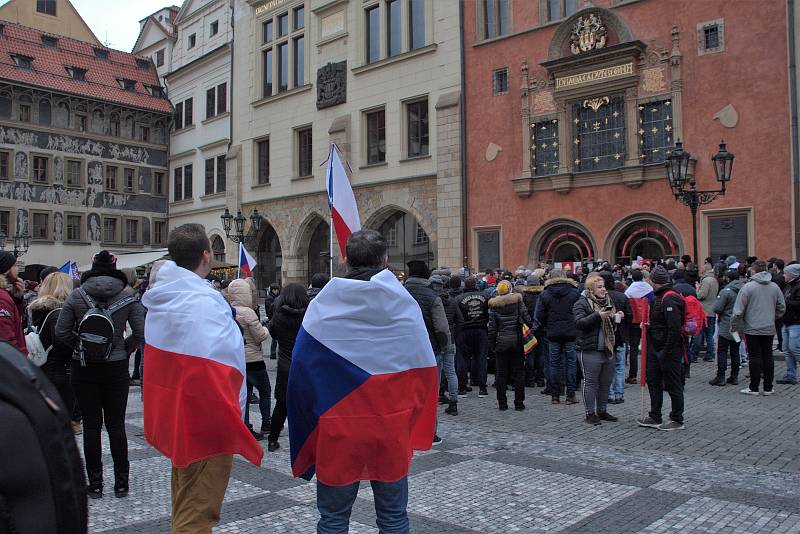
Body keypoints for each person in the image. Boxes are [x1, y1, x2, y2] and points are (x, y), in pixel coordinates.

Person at [286, 230, 437, 534]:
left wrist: (307, 425)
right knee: (393, 518)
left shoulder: (322, 308)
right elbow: (424, 370)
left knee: (333, 521)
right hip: (389, 427)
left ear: (345, 260)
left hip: (338, 428)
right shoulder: (403, 307)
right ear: (384, 260)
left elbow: (300, 376)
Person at [141, 225, 262, 533]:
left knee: (185, 501)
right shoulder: (204, 303)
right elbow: (222, 368)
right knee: (198, 514)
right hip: (205, 423)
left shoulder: (163, 298)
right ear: (206, 255)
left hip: (176, 415)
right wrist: (233, 418)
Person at [55, 251, 145, 499]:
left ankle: (95, 484)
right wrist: (123, 349)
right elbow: (141, 332)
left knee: (92, 426)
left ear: (93, 267)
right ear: (115, 267)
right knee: (116, 426)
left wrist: (80, 346)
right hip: (115, 368)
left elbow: (61, 330)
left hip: (83, 367)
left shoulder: (77, 294)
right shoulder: (128, 296)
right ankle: (121, 483)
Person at [28, 272, 81, 433]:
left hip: (42, 367)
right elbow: (61, 344)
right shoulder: (59, 314)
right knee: (61, 422)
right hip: (60, 369)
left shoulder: (37, 310)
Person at [404, 260, 449, 444]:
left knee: (406, 393)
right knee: (430, 394)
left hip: (404, 351)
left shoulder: (399, 293)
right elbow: (441, 328)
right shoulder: (432, 296)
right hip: (430, 351)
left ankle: (406, 428)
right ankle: (430, 432)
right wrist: (445, 347)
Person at [638, 265, 685, 431]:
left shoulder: (669, 298)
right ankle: (655, 415)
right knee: (653, 381)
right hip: (656, 346)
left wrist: (666, 350)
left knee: (673, 384)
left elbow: (674, 328)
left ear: (654, 281)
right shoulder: (659, 297)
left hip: (667, 348)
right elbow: (663, 324)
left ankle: (677, 418)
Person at [732, 260, 786, 395]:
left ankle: (754, 387)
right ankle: (768, 387)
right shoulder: (774, 287)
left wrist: (735, 327)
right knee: (768, 356)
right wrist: (772, 317)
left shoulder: (748, 287)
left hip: (752, 327)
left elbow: (738, 311)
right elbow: (782, 307)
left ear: (754, 271)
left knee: (755, 356)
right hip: (768, 326)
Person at [573, 275, 622, 425]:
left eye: (603, 286)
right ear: (591, 289)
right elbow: (579, 323)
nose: (603, 289)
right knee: (590, 382)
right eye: (599, 287)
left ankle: (602, 410)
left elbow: (609, 324)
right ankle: (590, 413)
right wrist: (598, 316)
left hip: (607, 348)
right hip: (589, 349)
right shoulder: (581, 303)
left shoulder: (608, 302)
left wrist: (616, 317)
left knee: (605, 382)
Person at [227, 278, 271, 441]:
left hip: (238, 359)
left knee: (244, 394)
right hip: (254, 360)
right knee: (265, 391)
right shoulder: (248, 312)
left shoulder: (228, 310)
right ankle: (266, 424)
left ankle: (244, 426)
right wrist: (266, 329)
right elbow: (260, 336)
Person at [267, 282, 309, 452]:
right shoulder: (309, 316)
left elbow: (273, 334)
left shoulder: (278, 317)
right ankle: (307, 443)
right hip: (305, 365)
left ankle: (272, 440)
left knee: (281, 404)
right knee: (308, 405)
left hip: (285, 365)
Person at [534, 270, 580, 405]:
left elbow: (538, 315)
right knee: (571, 363)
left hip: (552, 333)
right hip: (571, 333)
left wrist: (541, 328)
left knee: (554, 363)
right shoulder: (574, 293)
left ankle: (555, 395)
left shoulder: (545, 294)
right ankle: (570, 395)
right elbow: (579, 312)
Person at [488, 280, 530, 411]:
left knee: (501, 373)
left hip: (501, 342)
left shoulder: (494, 306)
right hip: (517, 341)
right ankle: (519, 403)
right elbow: (528, 319)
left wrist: (492, 344)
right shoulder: (518, 301)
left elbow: (492, 329)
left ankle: (502, 403)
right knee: (519, 373)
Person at [599, 271, 631, 405]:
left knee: (608, 367)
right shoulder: (622, 296)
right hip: (621, 336)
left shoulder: (601, 297)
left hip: (607, 336)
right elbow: (630, 316)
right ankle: (619, 394)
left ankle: (610, 394)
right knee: (620, 366)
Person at [455, 276, 489, 398]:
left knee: (462, 359)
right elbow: (488, 313)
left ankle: (462, 388)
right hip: (481, 330)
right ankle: (482, 388)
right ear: (475, 284)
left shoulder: (458, 298)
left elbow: (457, 316)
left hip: (464, 331)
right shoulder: (485, 296)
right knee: (481, 358)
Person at [710, 268, 745, 386]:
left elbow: (718, 308)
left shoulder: (726, 291)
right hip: (739, 327)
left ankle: (720, 377)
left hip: (726, 326)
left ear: (727, 278)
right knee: (735, 351)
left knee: (722, 351)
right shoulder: (744, 290)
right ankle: (734, 376)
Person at [434, 275, 461, 415]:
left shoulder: (432, 300)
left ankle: (437, 397)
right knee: (451, 372)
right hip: (450, 339)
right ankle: (454, 402)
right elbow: (459, 320)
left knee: (437, 373)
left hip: (436, 341)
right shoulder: (452, 301)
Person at [624, 269, 653, 384]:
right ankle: (648, 374)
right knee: (648, 348)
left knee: (634, 349)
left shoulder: (629, 290)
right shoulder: (649, 288)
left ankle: (633, 375)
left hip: (634, 321)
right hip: (647, 320)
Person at [520, 273, 545, 387]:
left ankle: (529, 379)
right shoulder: (543, 294)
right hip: (541, 327)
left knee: (529, 353)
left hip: (527, 329)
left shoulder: (523, 296)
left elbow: (522, 313)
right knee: (540, 354)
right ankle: (540, 379)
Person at [0, 251, 26, 354]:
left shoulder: (5, 294)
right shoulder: (2, 298)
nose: (18, 269)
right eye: (15, 265)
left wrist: (17, 300)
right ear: (6, 270)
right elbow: (6, 340)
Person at [778, 263, 800, 385]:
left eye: (786, 273)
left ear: (792, 275)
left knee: (795, 348)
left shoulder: (798, 286)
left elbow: (798, 304)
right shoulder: (788, 286)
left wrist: (785, 302)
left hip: (796, 323)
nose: (784, 275)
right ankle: (791, 375)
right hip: (786, 322)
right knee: (787, 349)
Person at [692, 263, 719, 363]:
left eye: (702, 269)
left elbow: (701, 295)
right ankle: (709, 355)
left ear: (705, 270)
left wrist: (697, 290)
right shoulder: (714, 280)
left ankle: (694, 355)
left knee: (699, 334)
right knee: (709, 335)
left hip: (704, 311)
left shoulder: (706, 280)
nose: (700, 271)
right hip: (711, 310)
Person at [265, 283, 281, 359]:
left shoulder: (273, 297)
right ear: (273, 290)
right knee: (275, 337)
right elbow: (270, 310)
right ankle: (273, 353)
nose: (278, 291)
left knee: (275, 337)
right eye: (277, 290)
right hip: (272, 319)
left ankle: (273, 353)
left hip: (273, 318)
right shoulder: (270, 298)